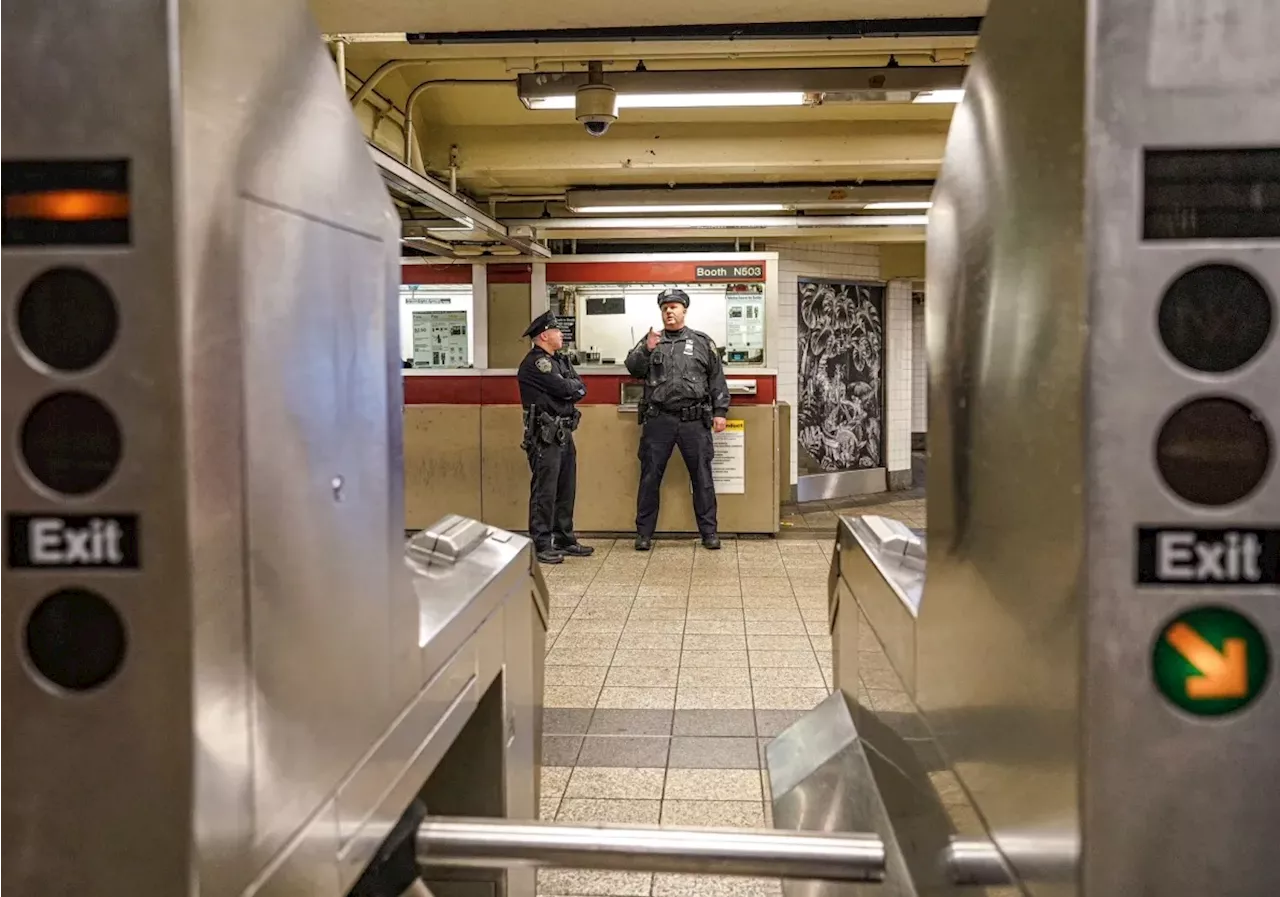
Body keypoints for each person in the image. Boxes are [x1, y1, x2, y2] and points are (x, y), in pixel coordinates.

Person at [625, 288, 731, 551]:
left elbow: (717, 379)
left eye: (674, 307)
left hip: (694, 421)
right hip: (658, 420)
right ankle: (644, 534)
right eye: (665, 308)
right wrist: (646, 349)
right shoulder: (651, 341)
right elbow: (633, 368)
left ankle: (709, 533)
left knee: (703, 478)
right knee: (650, 477)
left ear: (684, 310)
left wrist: (720, 412)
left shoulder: (703, 342)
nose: (669, 311)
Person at [517, 311, 594, 565]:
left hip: (563, 433)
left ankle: (564, 537)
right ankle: (541, 543)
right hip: (544, 435)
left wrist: (570, 388)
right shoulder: (537, 364)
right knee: (545, 491)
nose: (562, 335)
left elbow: (580, 388)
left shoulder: (559, 361)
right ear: (544, 335)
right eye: (557, 331)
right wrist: (569, 388)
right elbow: (565, 389)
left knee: (565, 487)